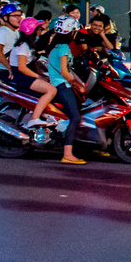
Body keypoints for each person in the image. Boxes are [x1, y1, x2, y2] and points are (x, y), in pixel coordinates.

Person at [37, 17, 88, 164]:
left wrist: (78, 82)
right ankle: (67, 154)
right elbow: (65, 73)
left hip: (60, 84)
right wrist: (78, 86)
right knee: (75, 117)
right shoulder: (64, 47)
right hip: (62, 86)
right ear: (72, 33)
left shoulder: (55, 46)